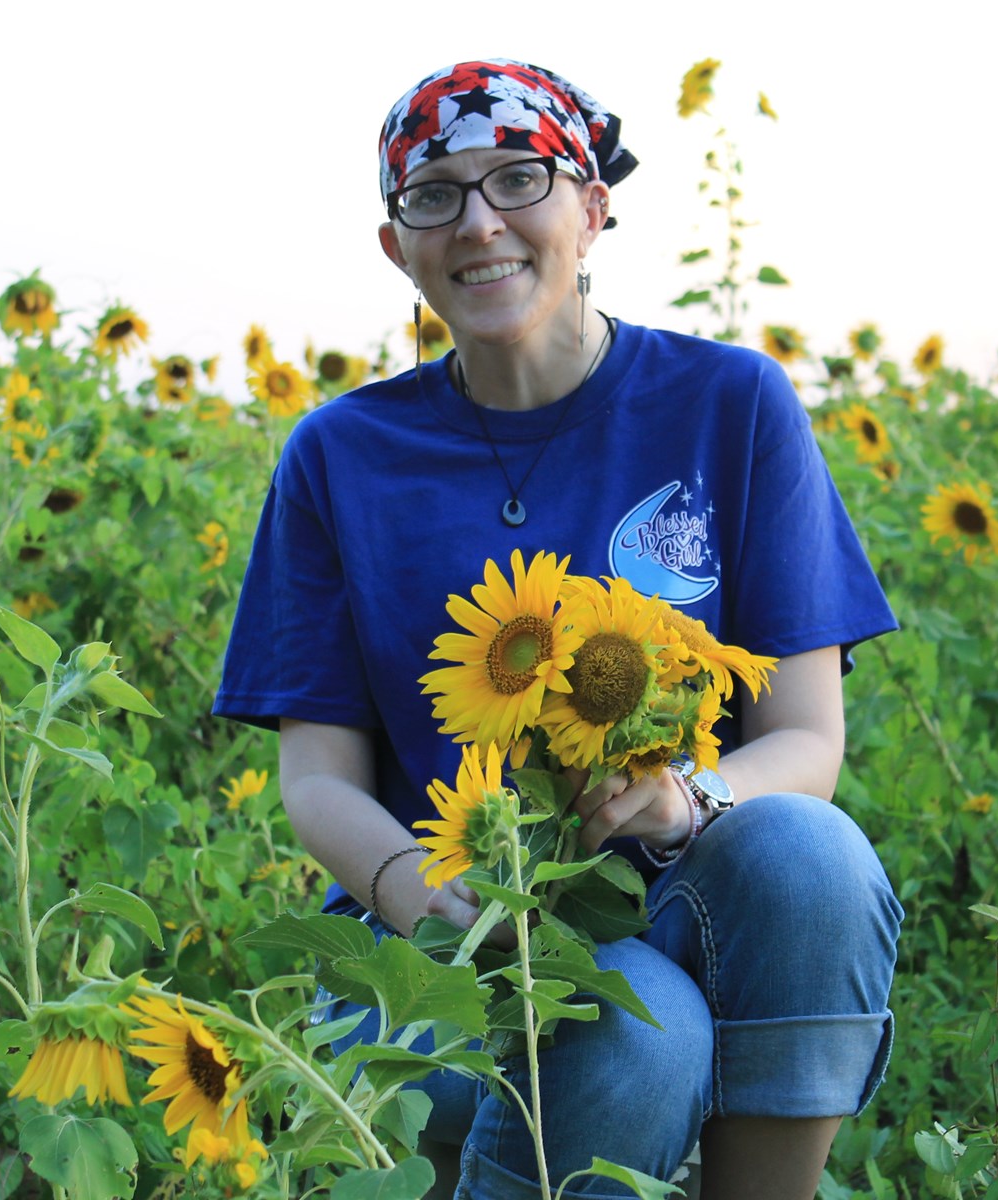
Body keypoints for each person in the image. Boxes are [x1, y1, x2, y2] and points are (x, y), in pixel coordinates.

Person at [214, 58, 903, 1200]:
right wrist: (414, 891)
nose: (479, 222)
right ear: (399, 247)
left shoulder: (729, 406)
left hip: (678, 892)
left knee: (809, 854)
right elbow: (317, 778)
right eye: (434, 194)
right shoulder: (340, 456)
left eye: (518, 180)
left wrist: (688, 797)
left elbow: (807, 741)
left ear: (591, 208)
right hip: (439, 944)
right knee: (642, 1032)